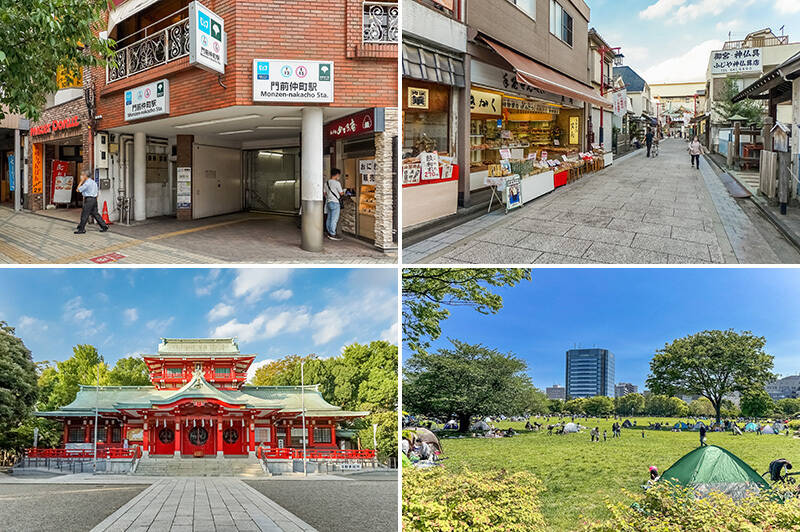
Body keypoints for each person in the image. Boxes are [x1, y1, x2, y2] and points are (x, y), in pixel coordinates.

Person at [325, 168, 344, 241]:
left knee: (329, 217)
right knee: (334, 219)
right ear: (337, 175)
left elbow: (325, 193)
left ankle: (329, 232)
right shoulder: (337, 183)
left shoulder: (326, 183)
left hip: (329, 202)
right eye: (339, 175)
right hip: (335, 203)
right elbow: (341, 193)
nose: (339, 176)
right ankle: (332, 234)